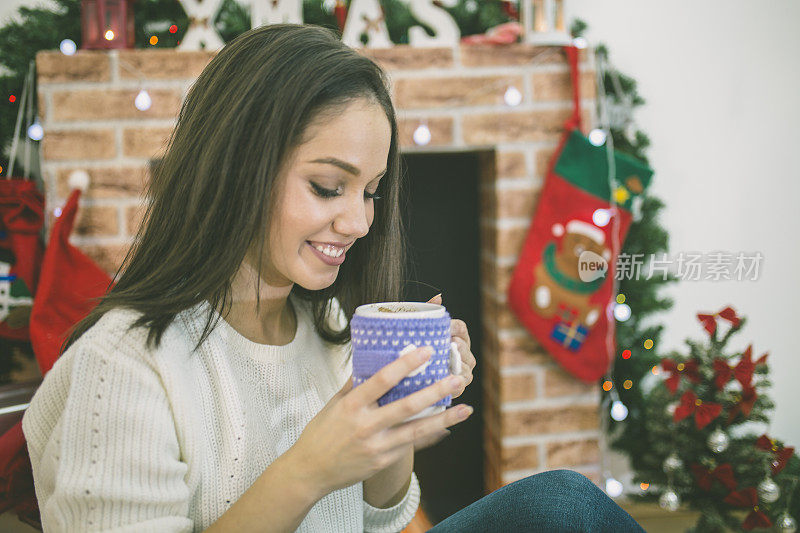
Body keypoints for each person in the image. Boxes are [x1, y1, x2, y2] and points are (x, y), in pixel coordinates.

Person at [21, 23, 645, 533]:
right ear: (238, 167)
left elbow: (380, 519)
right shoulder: (125, 365)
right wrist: (310, 469)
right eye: (328, 186)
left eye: (371, 192)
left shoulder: (330, 329)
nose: (359, 221)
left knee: (562, 504)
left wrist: (393, 424)